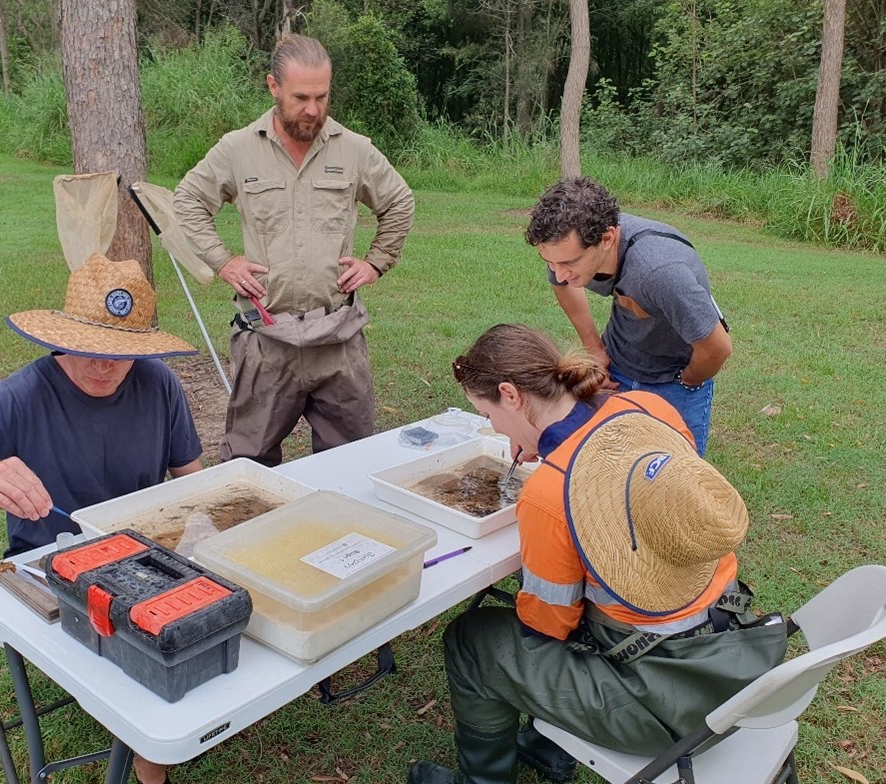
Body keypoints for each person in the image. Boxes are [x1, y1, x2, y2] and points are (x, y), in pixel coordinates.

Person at [408, 324, 787, 784]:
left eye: (487, 413)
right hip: (736, 653)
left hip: (672, 706)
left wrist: (553, 478)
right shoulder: (650, 407)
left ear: (511, 395)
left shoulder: (551, 494)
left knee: (474, 639)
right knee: (589, 605)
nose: (493, 426)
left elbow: (548, 624)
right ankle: (548, 749)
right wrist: (549, 446)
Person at [0, 253, 204, 784]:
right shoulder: (23, 395)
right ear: (63, 335)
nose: (102, 365)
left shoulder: (159, 384)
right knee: (147, 644)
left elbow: (194, 482)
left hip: (142, 555)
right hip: (49, 569)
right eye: (88, 349)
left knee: (212, 607)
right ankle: (150, 767)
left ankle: (162, 739)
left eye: (118, 354)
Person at [173, 34, 415, 467]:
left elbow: (399, 201)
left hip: (337, 338)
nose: (313, 109)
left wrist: (377, 261)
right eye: (301, 97)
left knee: (353, 464)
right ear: (273, 86)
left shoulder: (354, 149)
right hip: (267, 340)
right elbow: (188, 200)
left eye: (322, 96)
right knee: (247, 467)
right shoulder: (238, 148)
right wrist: (223, 261)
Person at [526, 177, 731, 456]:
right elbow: (560, 284)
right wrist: (593, 347)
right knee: (609, 463)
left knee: (674, 476)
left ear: (607, 238)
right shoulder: (566, 246)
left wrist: (687, 381)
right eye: (550, 262)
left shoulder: (660, 272)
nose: (559, 273)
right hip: (618, 363)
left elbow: (717, 348)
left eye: (569, 263)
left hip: (673, 377)